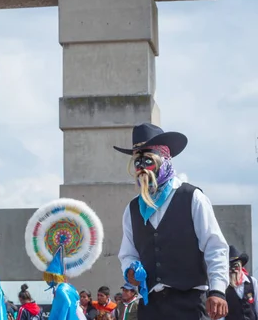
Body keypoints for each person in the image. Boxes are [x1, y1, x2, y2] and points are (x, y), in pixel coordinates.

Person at [116, 123, 229, 320]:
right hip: (150, 307)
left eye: (147, 161)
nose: (141, 168)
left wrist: (217, 290)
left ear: (164, 159)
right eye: (137, 162)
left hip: (189, 304)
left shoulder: (191, 197)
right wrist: (130, 270)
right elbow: (128, 254)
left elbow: (215, 246)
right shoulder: (132, 209)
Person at [25, 198, 105, 320]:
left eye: (49, 276)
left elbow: (64, 308)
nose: (47, 280)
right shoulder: (70, 288)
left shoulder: (62, 290)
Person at [221, 245, 258, 320]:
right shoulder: (223, 286)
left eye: (236, 266)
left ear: (241, 266)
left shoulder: (252, 282)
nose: (234, 269)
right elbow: (221, 315)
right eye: (230, 267)